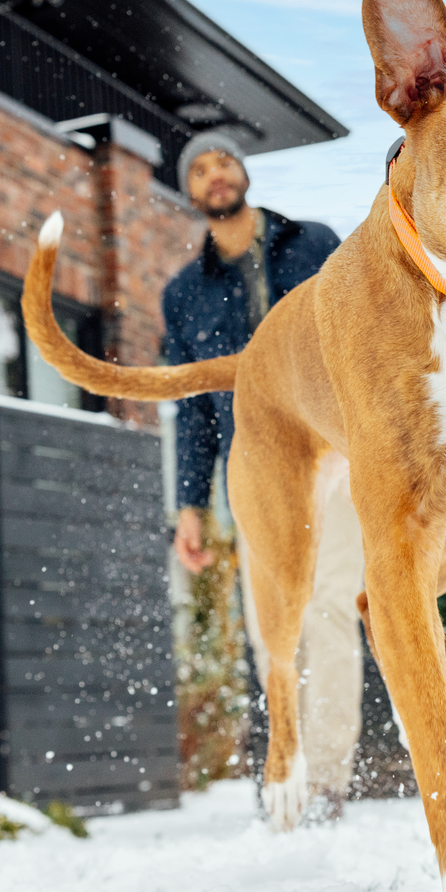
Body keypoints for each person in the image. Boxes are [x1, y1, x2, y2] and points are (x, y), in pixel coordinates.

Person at [163, 131, 363, 819]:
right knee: (269, 629)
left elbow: (365, 330)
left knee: (332, 607)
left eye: (224, 162)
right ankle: (284, 774)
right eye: (200, 169)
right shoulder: (184, 293)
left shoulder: (314, 245)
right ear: (189, 192)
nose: (216, 175)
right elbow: (193, 411)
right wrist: (191, 506)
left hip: (332, 451)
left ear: (243, 174)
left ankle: (329, 783)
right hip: (252, 470)